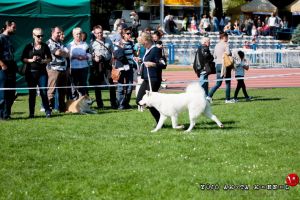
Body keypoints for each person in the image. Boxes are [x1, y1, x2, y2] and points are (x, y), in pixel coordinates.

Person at [21, 28, 52, 118]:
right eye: (38, 36)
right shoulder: (28, 46)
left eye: (42, 35)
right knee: (32, 93)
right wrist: (32, 60)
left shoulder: (45, 46)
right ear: (33, 36)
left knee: (43, 92)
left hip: (42, 73)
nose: (41, 38)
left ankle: (48, 112)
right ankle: (31, 113)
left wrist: (43, 61)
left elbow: (50, 58)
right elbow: (22, 59)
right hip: (31, 73)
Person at [136, 32, 165, 124]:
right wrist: (141, 60)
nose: (142, 44)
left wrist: (153, 64)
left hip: (153, 79)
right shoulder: (147, 50)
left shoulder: (156, 49)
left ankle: (160, 120)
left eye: (142, 42)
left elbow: (163, 64)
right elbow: (148, 60)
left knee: (150, 102)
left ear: (147, 40)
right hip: (146, 79)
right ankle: (161, 117)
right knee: (139, 100)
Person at [90, 25, 117, 109]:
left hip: (108, 64)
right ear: (94, 34)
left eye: (100, 32)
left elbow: (113, 51)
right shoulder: (92, 43)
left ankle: (113, 103)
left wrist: (113, 59)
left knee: (111, 82)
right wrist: (94, 57)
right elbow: (90, 54)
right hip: (98, 65)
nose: (99, 34)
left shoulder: (108, 40)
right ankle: (100, 104)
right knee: (98, 84)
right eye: (97, 33)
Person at [207, 32, 234, 104]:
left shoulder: (216, 45)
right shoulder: (226, 44)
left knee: (218, 83)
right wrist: (230, 53)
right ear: (224, 37)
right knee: (228, 82)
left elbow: (214, 56)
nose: (228, 39)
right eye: (227, 37)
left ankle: (209, 96)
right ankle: (227, 99)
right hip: (225, 65)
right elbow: (228, 53)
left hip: (218, 65)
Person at [46, 26, 69, 112]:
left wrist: (63, 53)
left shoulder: (61, 43)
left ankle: (62, 109)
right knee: (51, 91)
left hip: (63, 69)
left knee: (63, 91)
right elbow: (57, 52)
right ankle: (49, 109)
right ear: (52, 33)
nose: (60, 34)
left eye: (60, 32)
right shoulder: (49, 43)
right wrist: (63, 52)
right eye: (58, 33)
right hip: (53, 69)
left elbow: (68, 54)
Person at [67, 27, 91, 98]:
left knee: (83, 85)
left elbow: (89, 55)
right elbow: (67, 56)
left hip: (84, 68)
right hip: (73, 68)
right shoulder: (69, 45)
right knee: (74, 86)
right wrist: (75, 57)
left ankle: (83, 101)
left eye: (80, 34)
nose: (78, 35)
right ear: (73, 35)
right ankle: (74, 101)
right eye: (76, 34)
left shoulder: (85, 45)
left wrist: (84, 57)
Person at [0, 21, 17, 120]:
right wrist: (2, 64)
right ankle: (1, 114)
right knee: (3, 93)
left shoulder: (9, 39)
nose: (15, 29)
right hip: (3, 68)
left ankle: (7, 114)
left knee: (11, 92)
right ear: (7, 26)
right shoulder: (0, 38)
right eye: (14, 27)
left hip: (11, 67)